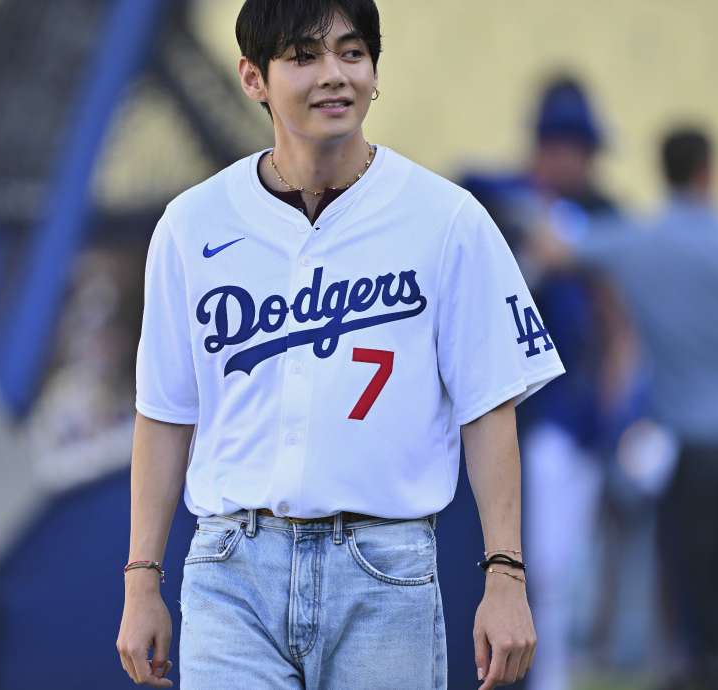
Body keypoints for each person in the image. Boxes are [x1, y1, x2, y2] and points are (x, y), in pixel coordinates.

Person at [115, 2, 565, 688]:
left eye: (352, 54)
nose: (334, 76)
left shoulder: (446, 219)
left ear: (376, 74)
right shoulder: (190, 225)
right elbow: (165, 411)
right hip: (233, 564)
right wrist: (141, 581)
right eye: (303, 57)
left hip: (385, 566)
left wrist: (505, 574)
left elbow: (488, 405)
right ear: (253, 78)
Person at [539, 126, 718, 689]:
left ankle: (704, 673)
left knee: (693, 581)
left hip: (695, 436)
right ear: (711, 170)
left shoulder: (639, 242)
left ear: (665, 170)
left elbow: (560, 249)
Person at [462, 75, 632, 690]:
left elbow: (619, 331)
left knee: (550, 577)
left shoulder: (602, 217)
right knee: (483, 570)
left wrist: (608, 419)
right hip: (488, 415)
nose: (577, 162)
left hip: (561, 417)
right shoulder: (490, 196)